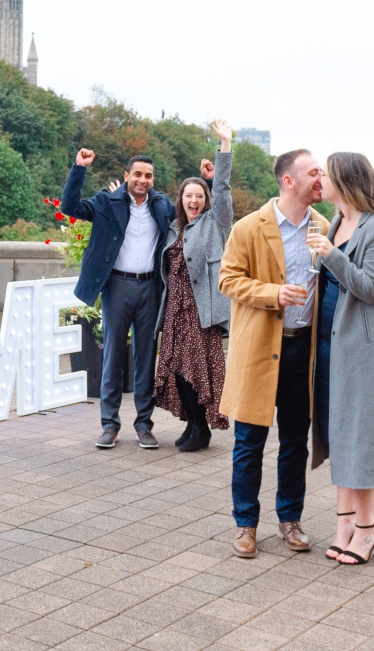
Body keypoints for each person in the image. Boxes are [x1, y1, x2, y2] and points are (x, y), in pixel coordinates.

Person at [218, 149, 327, 557]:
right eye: (314, 173)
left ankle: (290, 519)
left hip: (304, 351)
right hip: (260, 349)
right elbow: (227, 279)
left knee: (296, 441)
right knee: (249, 443)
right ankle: (245, 525)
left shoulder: (323, 226)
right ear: (289, 181)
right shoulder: (249, 227)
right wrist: (272, 294)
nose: (322, 179)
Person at [306, 152, 374, 565]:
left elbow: (371, 288)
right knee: (340, 432)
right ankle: (344, 523)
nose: (319, 181)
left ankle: (367, 528)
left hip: (364, 347)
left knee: (362, 435)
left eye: (324, 175)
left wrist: (330, 254)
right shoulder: (336, 221)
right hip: (331, 343)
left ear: (344, 181)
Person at [61, 149, 176, 449]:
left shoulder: (162, 205)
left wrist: (207, 180)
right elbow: (70, 206)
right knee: (112, 357)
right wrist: (79, 168)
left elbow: (195, 210)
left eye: (148, 175)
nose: (143, 180)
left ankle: (143, 425)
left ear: (153, 180)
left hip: (150, 288)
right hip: (117, 287)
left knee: (145, 358)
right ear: (126, 176)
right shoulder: (105, 202)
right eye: (137, 174)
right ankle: (109, 425)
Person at [153, 120, 235, 452]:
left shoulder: (216, 223)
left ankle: (202, 429)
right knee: (178, 368)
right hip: (175, 310)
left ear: (205, 200)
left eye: (199, 195)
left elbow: (224, 191)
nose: (194, 200)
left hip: (201, 311)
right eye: (189, 195)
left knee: (196, 371)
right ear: (182, 199)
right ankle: (192, 425)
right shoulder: (174, 229)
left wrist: (224, 148)